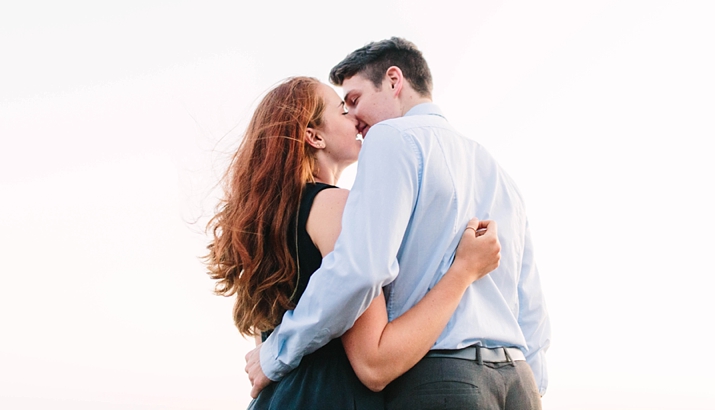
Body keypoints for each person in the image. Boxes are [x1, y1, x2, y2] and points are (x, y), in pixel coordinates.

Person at [247, 38, 551, 409]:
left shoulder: (390, 138)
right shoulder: (497, 171)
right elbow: (531, 305)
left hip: (442, 377)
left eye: (354, 101)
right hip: (518, 378)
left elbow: (362, 269)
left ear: (394, 81)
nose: (355, 120)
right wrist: (532, 386)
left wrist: (278, 351)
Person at [205, 76, 502, 409]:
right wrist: (463, 271)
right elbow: (377, 359)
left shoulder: (268, 226)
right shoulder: (336, 207)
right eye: (342, 109)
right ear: (314, 136)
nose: (355, 118)